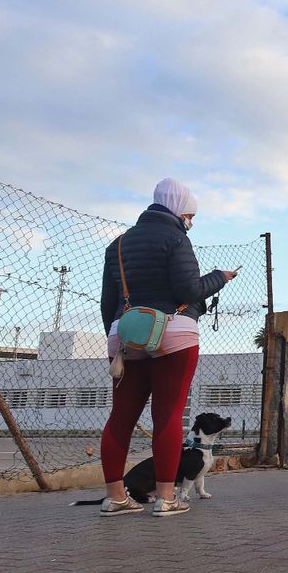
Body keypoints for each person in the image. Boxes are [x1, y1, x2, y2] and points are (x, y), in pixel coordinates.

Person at [97, 178, 236, 517]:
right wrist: (220, 277)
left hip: (125, 334)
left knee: (120, 418)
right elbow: (189, 290)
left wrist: (116, 339)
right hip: (173, 333)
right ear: (181, 211)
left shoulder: (118, 244)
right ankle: (166, 498)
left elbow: (107, 302)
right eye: (191, 215)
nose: (191, 222)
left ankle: (115, 497)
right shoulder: (177, 239)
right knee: (168, 416)